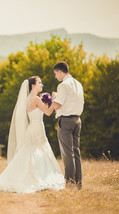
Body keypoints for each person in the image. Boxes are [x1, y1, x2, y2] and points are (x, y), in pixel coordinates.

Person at [0, 76, 65, 193]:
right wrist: (54, 99)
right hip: (37, 129)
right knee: (37, 152)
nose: (42, 85)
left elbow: (40, 110)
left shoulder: (29, 98)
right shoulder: (35, 99)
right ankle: (38, 177)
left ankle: (29, 175)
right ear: (33, 85)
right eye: (39, 83)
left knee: (30, 152)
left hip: (33, 128)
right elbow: (48, 112)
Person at [52, 61, 84, 189]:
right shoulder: (78, 84)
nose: (55, 76)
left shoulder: (63, 85)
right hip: (77, 120)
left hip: (66, 121)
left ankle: (70, 183)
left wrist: (54, 97)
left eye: (55, 73)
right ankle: (78, 183)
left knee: (67, 153)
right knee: (76, 152)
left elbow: (58, 105)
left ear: (60, 72)